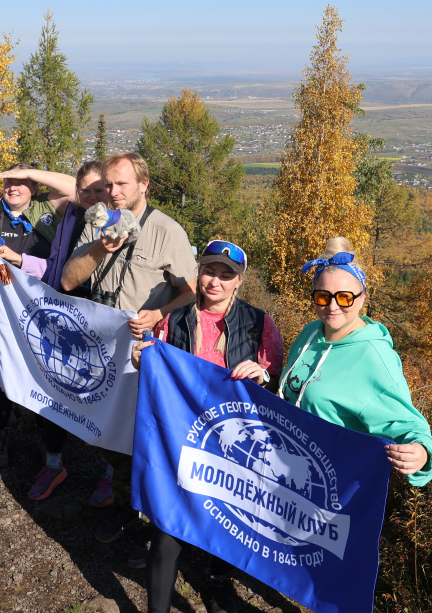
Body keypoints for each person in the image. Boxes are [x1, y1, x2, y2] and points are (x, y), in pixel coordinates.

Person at [131, 239, 284, 613]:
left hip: (234, 445)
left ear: (239, 282)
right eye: (209, 271)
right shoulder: (176, 318)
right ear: (198, 273)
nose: (215, 281)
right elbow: (155, 367)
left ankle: (218, 582)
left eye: (225, 275)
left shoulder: (259, 325)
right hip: (183, 440)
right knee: (168, 531)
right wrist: (141, 358)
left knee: (230, 525)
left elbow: (279, 384)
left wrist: (262, 374)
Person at [62, 151, 198, 544]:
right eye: (108, 185)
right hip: (100, 350)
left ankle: (153, 527)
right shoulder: (99, 221)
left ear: (144, 185)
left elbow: (191, 294)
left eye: (122, 184)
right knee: (112, 439)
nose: (114, 192)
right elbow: (70, 281)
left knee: (146, 441)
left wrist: (159, 312)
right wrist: (100, 249)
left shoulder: (167, 231)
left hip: (144, 354)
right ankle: (126, 508)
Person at [0, 162, 118, 508]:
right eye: (85, 190)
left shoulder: (115, 219)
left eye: (98, 190)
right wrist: (19, 260)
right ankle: (54, 464)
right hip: (62, 312)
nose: (89, 196)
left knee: (105, 395)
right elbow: (52, 267)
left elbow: (69, 186)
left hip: (102, 318)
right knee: (55, 389)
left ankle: (112, 473)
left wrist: (27, 173)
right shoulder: (69, 216)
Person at [281, 237, 432, 484]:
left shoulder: (373, 356)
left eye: (344, 297)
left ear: (362, 298)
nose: (332, 306)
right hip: (287, 472)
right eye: (323, 296)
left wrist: (421, 452)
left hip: (330, 485)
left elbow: (411, 426)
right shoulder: (310, 334)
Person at [0, 163, 77, 470]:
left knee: (45, 373)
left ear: (35, 187)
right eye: (8, 183)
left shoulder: (47, 209)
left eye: (20, 183)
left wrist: (31, 173)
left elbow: (74, 188)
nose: (12, 187)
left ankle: (46, 439)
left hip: (41, 310)